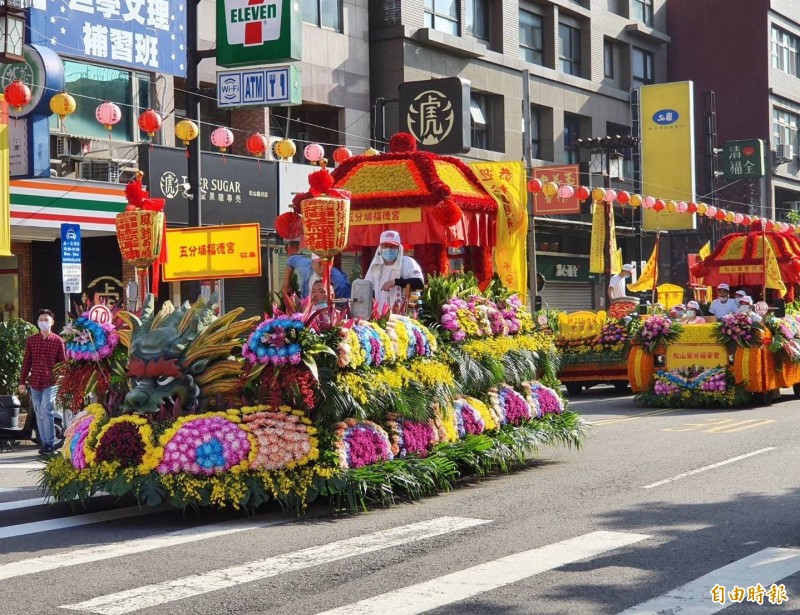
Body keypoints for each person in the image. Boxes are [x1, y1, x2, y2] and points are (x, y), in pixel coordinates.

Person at [18, 309, 66, 455]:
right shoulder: (32, 340)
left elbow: (63, 363)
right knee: (38, 412)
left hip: (51, 382)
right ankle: (44, 443)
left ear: (52, 322)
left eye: (46, 319)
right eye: (41, 320)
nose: (43, 322)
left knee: (47, 409)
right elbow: (27, 362)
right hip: (35, 382)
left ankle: (50, 443)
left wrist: (62, 379)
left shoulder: (58, 341)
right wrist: (21, 382)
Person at [364, 230, 425, 311]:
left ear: (399, 248)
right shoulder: (375, 266)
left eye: (393, 246)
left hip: (404, 316)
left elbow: (419, 283)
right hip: (380, 316)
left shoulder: (407, 262)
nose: (389, 249)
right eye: (385, 246)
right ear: (380, 248)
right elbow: (366, 288)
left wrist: (395, 282)